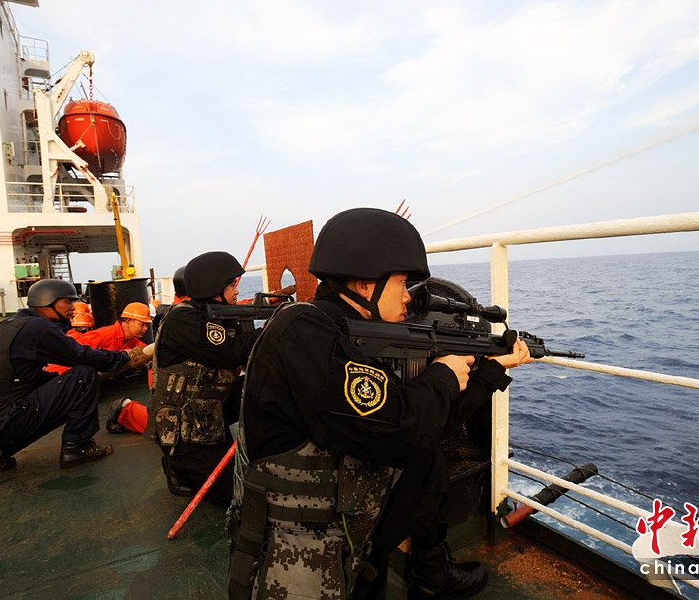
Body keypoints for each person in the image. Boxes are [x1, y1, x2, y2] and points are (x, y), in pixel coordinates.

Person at [228, 208, 533, 600]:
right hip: (294, 560)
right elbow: (401, 430)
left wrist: (490, 371)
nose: (408, 296)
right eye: (402, 283)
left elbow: (426, 426)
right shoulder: (307, 334)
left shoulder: (342, 331)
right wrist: (442, 376)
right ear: (364, 283)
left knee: (428, 459)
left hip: (342, 537)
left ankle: (429, 572)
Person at [0, 279, 150, 472]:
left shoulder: (1, 328)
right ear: (46, 302)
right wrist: (124, 358)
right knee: (84, 376)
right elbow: (81, 355)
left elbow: (25, 378)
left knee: (65, 389)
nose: (73, 308)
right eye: (67, 302)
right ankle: (78, 447)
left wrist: (60, 386)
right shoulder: (37, 328)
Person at [147, 252, 260, 504]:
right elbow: (230, 352)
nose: (237, 291)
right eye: (231, 285)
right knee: (240, 496)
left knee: (263, 385)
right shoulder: (183, 319)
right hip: (185, 428)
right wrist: (267, 328)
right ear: (213, 286)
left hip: (210, 410)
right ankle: (178, 466)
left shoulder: (216, 315)